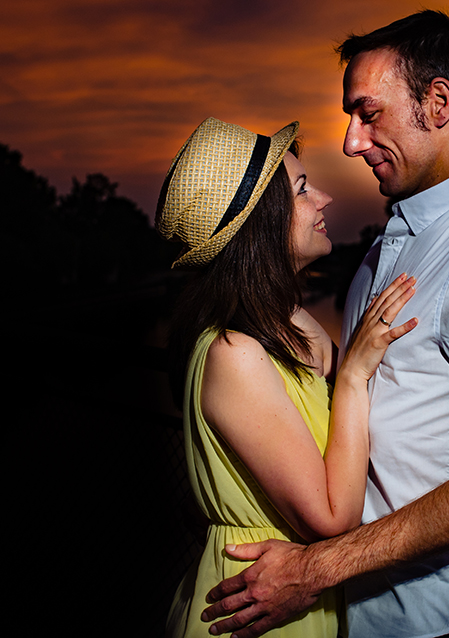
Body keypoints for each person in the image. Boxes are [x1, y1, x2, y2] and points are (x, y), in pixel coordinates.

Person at [202, 10, 449, 638]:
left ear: (439, 103)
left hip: (433, 620)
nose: (350, 141)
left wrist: (314, 569)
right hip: (354, 610)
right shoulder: (383, 247)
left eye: (368, 113)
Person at [156, 117, 417, 637]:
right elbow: (330, 517)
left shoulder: (281, 325)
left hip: (294, 587)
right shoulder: (234, 353)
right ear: (261, 225)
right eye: (302, 190)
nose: (324, 198)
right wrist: (353, 375)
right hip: (256, 597)